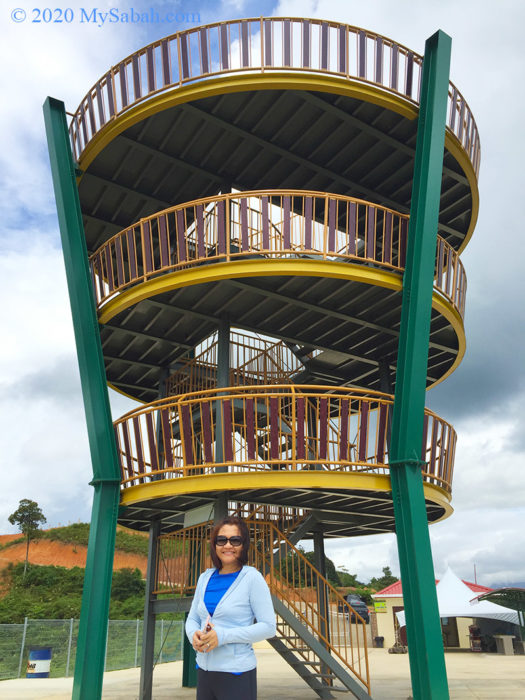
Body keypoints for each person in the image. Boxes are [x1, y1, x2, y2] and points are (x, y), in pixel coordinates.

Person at [185, 515, 276, 700]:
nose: (227, 545)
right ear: (214, 544)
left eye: (235, 540)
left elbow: (268, 627)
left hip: (237, 674)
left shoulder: (252, 578)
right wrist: (192, 634)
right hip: (204, 671)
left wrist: (223, 636)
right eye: (221, 540)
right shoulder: (205, 577)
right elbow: (193, 618)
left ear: (243, 545)